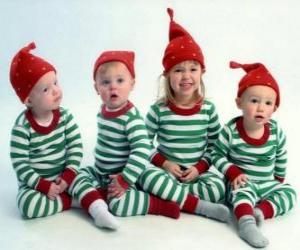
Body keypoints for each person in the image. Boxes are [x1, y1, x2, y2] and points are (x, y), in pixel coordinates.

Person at [72, 50, 180, 230]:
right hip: (101, 172)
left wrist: (125, 179)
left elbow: (142, 150)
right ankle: (97, 196)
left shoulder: (131, 119)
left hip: (125, 174)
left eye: (120, 81)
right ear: (96, 88)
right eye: (105, 82)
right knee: (73, 176)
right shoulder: (102, 110)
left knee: (118, 206)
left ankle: (158, 205)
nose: (113, 87)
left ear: (132, 84)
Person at [139, 8, 229, 222]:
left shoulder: (208, 109)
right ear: (167, 75)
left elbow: (215, 148)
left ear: (202, 72)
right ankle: (196, 205)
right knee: (145, 176)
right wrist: (164, 164)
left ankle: (174, 199)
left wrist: (199, 169)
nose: (186, 76)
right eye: (178, 70)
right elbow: (143, 145)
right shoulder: (158, 110)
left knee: (218, 187)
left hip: (196, 174)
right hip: (166, 173)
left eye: (193, 69)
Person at [212, 61, 297, 248]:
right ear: (239, 102)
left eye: (268, 103)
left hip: (266, 182)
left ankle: (260, 212)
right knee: (240, 194)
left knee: (290, 193)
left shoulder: (276, 132)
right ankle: (246, 224)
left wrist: (278, 179)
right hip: (242, 182)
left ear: (274, 108)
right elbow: (216, 155)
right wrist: (233, 172)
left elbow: (281, 155)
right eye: (254, 101)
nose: (261, 108)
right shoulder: (231, 130)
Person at [9, 42, 83, 218]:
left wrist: (68, 175)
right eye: (46, 89)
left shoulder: (65, 117)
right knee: (27, 206)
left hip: (63, 178)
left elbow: (76, 147)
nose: (56, 91)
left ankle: (89, 200)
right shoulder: (22, 127)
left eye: (55, 82)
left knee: (85, 180)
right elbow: (20, 165)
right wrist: (42, 185)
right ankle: (69, 202)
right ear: (28, 100)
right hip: (35, 185)